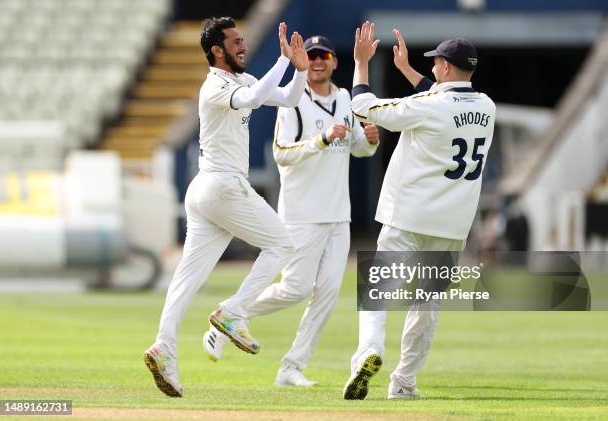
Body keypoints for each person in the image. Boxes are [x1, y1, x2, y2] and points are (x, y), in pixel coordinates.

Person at [143, 17, 309, 398]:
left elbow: (288, 98)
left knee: (187, 279)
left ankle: (163, 348)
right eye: (235, 42)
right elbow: (252, 101)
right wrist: (284, 60)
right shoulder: (214, 85)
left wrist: (298, 71)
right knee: (282, 245)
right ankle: (233, 312)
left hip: (206, 190)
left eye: (241, 39)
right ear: (217, 50)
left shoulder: (243, 80)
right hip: (223, 186)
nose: (243, 46)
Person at [202, 35, 380, 387]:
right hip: (301, 213)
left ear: (334, 61)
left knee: (328, 293)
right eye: (311, 56)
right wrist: (321, 140)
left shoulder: (345, 98)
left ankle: (292, 367)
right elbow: (283, 153)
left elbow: (357, 148)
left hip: (338, 214)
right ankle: (229, 313)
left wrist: (369, 140)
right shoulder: (293, 101)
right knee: (295, 290)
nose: (316, 61)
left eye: (323, 55)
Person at [343, 22, 495, 400]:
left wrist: (362, 63)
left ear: (444, 67)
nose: (432, 69)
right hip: (453, 221)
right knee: (426, 303)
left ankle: (369, 351)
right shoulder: (487, 106)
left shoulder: (429, 106)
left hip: (409, 213)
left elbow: (364, 106)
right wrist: (408, 71)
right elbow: (446, 103)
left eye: (435, 64)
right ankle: (404, 382)